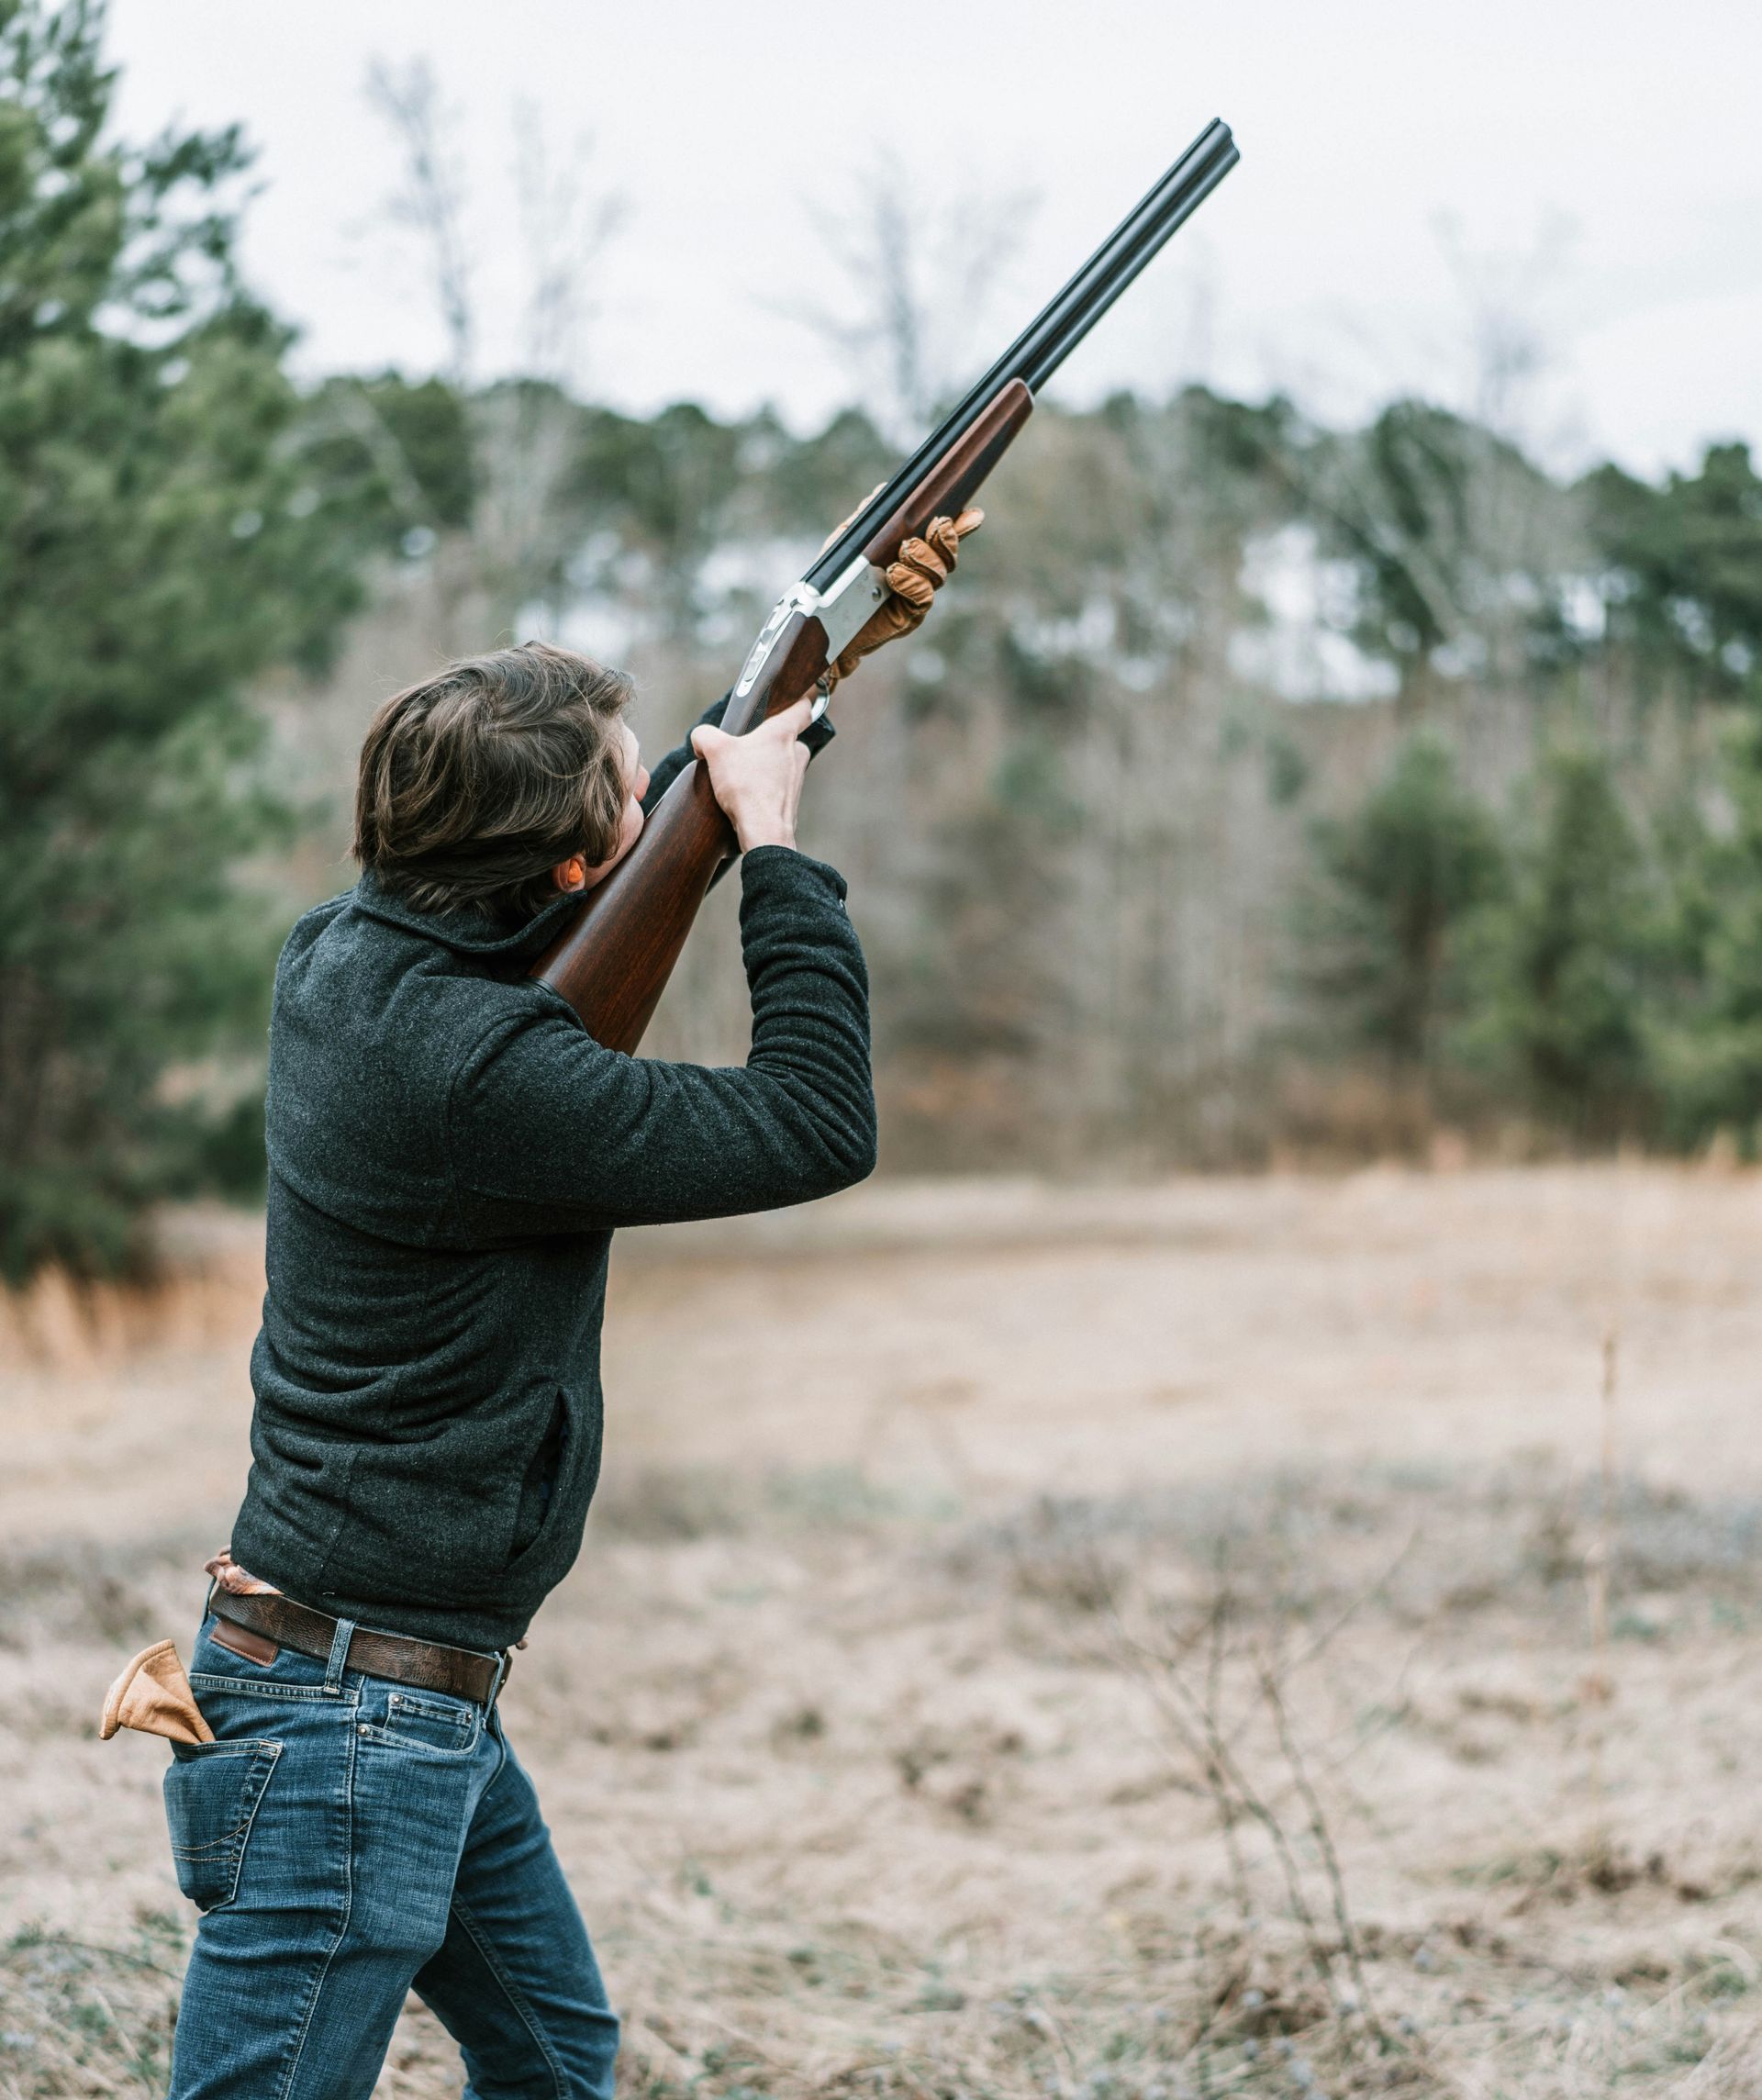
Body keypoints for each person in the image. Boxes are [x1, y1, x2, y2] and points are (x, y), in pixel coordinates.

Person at [157, 512, 978, 2098]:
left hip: (392, 1685)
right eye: (631, 775)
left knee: (553, 2060)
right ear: (569, 861)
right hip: (352, 1716)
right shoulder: (483, 1076)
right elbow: (819, 1122)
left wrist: (825, 673)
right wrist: (781, 854)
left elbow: (588, 894)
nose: (651, 783)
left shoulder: (337, 958)